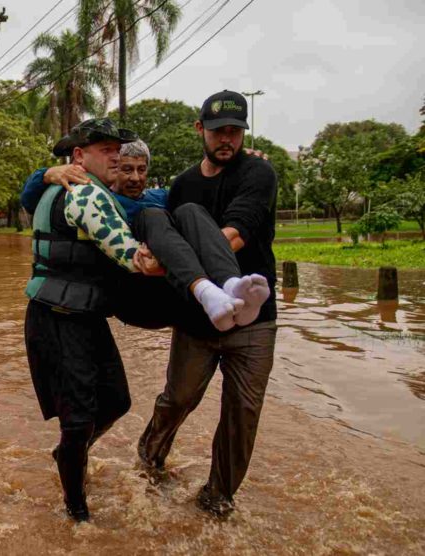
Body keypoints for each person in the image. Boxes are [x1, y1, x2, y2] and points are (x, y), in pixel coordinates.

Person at [137, 90, 279, 518]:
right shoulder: (183, 185)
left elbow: (236, 234)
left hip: (254, 319)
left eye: (235, 132)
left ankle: (217, 499)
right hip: (196, 320)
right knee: (177, 399)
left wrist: (171, 265)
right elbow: (159, 226)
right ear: (200, 130)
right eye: (219, 132)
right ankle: (148, 463)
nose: (227, 141)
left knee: (242, 415)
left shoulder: (259, 173)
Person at [23, 118, 147, 522]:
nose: (118, 156)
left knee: (116, 400)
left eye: (119, 148)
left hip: (85, 316)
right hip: (58, 317)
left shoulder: (91, 192)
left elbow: (148, 202)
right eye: (107, 150)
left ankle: (69, 456)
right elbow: (130, 257)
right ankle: (77, 515)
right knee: (78, 421)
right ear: (78, 157)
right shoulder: (83, 195)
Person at [22, 137, 269, 332]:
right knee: (151, 216)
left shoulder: (162, 197)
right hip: (134, 290)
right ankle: (207, 291)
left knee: (191, 211)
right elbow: (34, 202)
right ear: (114, 168)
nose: (135, 178)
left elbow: (208, 193)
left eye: (141, 170)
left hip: (171, 289)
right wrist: (45, 174)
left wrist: (244, 165)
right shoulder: (100, 199)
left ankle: (229, 286)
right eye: (127, 169)